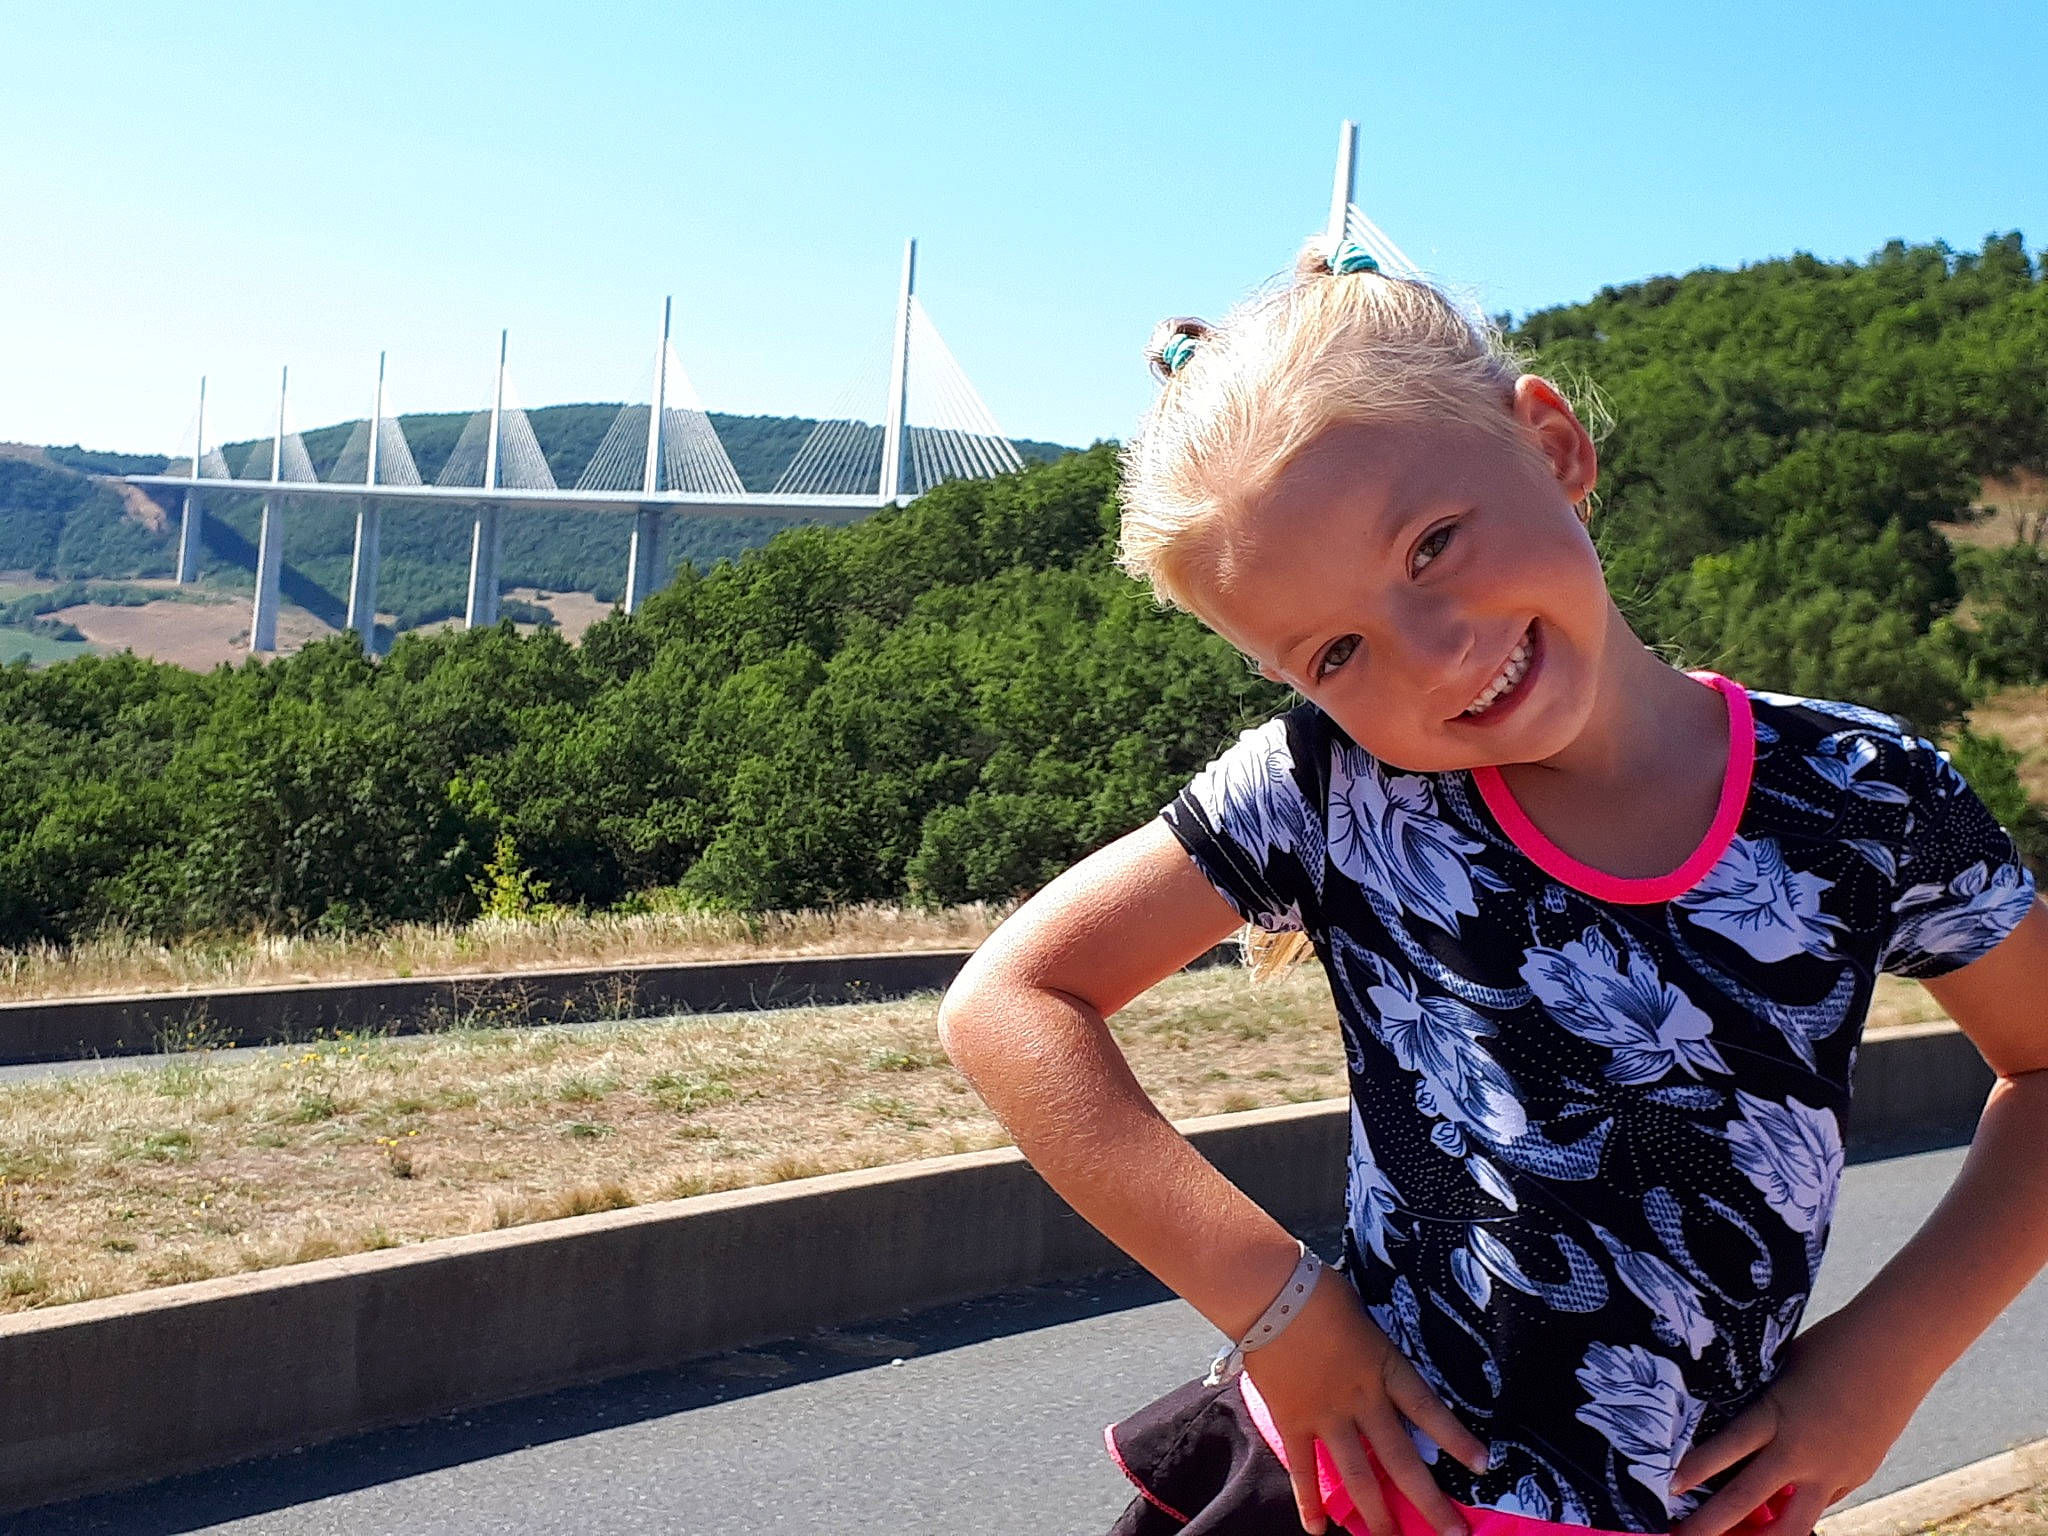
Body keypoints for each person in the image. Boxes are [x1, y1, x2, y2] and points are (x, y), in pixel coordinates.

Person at [934, 237, 2048, 1536]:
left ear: (1554, 447)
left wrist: (1885, 1366)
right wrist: (1282, 1312)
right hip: (1360, 1498)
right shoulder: (1332, 787)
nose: (1436, 656)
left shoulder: (1864, 796)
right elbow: (1010, 1001)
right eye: (1336, 649)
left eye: (1434, 545)